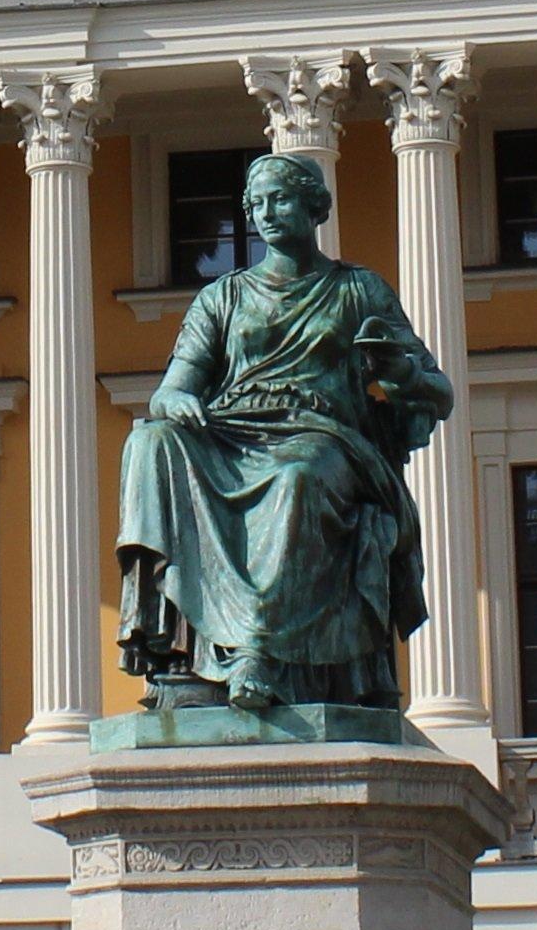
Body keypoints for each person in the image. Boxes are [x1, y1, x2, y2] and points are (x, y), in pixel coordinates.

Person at [113, 149, 450, 714]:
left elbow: (437, 393)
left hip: (323, 437)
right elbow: (174, 387)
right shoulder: (221, 298)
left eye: (282, 199)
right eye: (257, 203)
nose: (267, 213)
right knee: (150, 441)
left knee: (295, 478)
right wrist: (176, 402)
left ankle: (258, 652)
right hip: (234, 431)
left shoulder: (359, 290)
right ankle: (177, 649)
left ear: (314, 207)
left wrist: (400, 372)